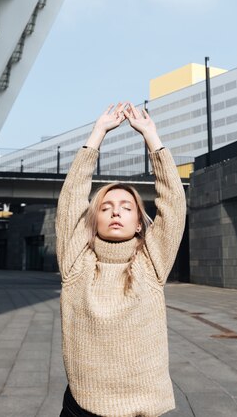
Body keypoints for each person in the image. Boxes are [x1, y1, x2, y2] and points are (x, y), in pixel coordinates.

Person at [56, 102, 187, 417]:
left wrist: (152, 139)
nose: (116, 211)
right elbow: (72, 200)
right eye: (105, 207)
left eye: (127, 207)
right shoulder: (76, 264)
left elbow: (173, 202)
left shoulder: (151, 263)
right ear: (94, 219)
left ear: (139, 222)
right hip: (82, 404)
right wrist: (96, 135)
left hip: (143, 406)